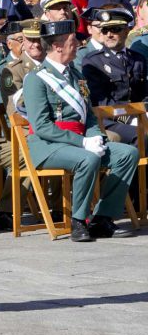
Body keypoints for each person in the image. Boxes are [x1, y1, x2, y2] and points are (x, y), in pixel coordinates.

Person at [24, 19, 137, 241]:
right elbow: (42, 126)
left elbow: (90, 116)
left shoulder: (76, 75)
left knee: (127, 154)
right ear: (58, 46)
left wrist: (95, 137)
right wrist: (83, 143)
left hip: (80, 140)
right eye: (73, 40)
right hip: (48, 146)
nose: (78, 44)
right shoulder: (36, 79)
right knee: (88, 159)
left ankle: (103, 217)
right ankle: (79, 220)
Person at [81, 7, 145, 145]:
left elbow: (144, 93)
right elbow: (101, 101)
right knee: (142, 136)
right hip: (108, 119)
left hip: (138, 116)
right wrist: (130, 118)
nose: (109, 34)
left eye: (115, 29)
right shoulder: (93, 61)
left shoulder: (138, 59)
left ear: (127, 30)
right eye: (105, 30)